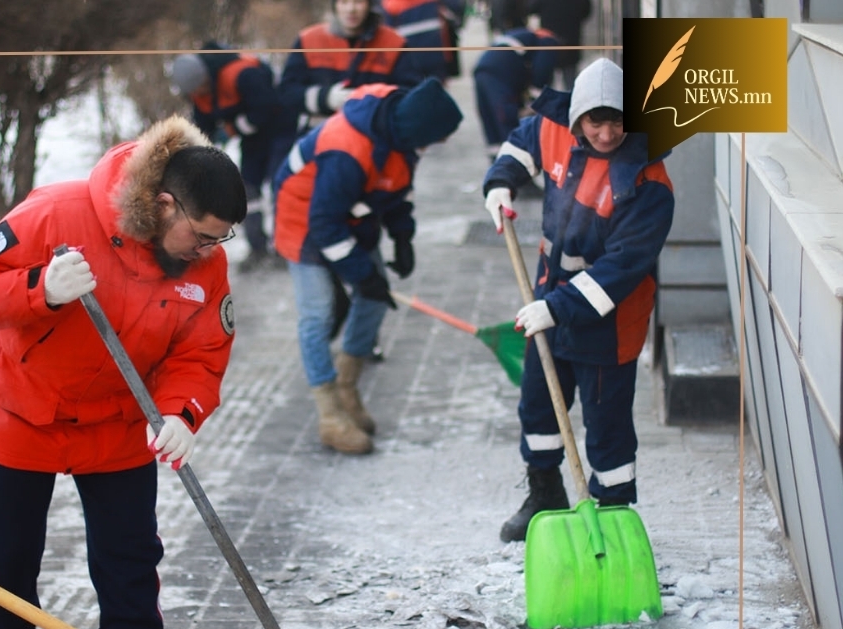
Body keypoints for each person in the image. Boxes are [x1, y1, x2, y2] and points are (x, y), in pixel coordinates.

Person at [0, 116, 245, 629]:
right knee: (9, 553)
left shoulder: (207, 262)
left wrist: (182, 413)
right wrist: (40, 290)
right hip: (20, 412)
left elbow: (203, 350)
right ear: (166, 203)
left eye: (218, 241)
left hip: (117, 422)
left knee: (130, 558)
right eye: (200, 235)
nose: (206, 252)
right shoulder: (58, 212)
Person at [481, 58, 674, 543]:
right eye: (596, 121)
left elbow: (622, 268)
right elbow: (520, 144)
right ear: (578, 119)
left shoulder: (648, 183)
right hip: (548, 296)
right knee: (540, 405)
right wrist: (500, 182)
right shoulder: (554, 130)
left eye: (617, 121)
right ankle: (544, 494)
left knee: (606, 424)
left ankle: (613, 515)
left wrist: (555, 309)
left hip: (610, 320)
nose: (607, 133)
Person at [272, 78, 462, 455]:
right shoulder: (347, 151)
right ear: (418, 131)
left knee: (375, 298)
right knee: (318, 314)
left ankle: (347, 386)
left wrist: (402, 235)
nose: (438, 145)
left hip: (350, 215)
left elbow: (394, 186)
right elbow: (325, 226)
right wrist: (362, 273)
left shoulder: (400, 130)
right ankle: (329, 414)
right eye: (437, 138)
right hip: (304, 218)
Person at [171, 42, 298, 272]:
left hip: (281, 129)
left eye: (202, 87)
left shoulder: (243, 74)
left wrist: (232, 129)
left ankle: (285, 246)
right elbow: (204, 127)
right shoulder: (198, 92)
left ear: (206, 77)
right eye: (196, 92)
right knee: (248, 188)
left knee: (281, 185)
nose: (200, 93)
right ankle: (257, 247)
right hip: (253, 137)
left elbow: (265, 108)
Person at [279, 0, 409, 134]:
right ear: (334, 5)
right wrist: (325, 98)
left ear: (369, 5)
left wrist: (370, 104)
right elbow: (287, 92)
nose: (351, 9)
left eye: (358, 2)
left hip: (373, 140)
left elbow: (407, 95)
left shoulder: (393, 43)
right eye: (344, 2)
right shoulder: (308, 40)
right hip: (318, 140)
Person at [472, 26, 559, 160]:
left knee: (491, 121)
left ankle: (497, 168)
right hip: (500, 74)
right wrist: (534, 102)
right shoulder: (548, 41)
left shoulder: (520, 36)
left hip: (482, 70)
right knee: (507, 118)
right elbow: (541, 72)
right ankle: (516, 171)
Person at [381, 0, 466, 85]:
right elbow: (456, 7)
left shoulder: (390, 4)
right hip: (436, 53)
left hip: (409, 58)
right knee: (437, 89)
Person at [527, 0, 592, 89]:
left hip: (550, 41)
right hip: (570, 40)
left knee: (547, 83)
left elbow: (532, 8)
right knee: (570, 82)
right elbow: (586, 12)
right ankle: (570, 101)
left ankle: (549, 102)